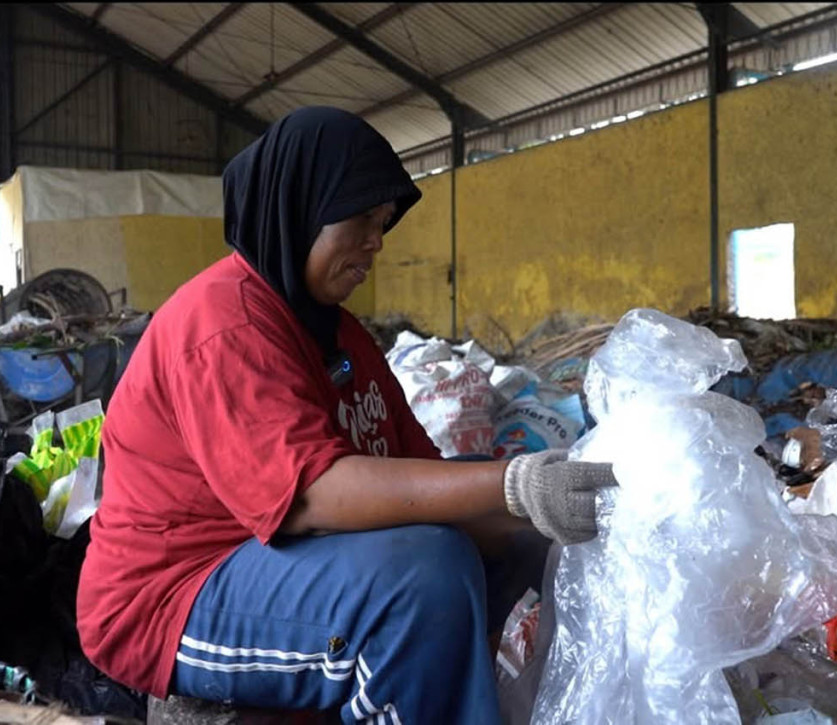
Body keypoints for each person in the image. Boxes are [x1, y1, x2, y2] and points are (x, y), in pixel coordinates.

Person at [76, 106, 618, 724]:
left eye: (382, 224)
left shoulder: (341, 335)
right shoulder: (223, 323)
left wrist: (544, 513)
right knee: (424, 576)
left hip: (277, 563)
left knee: (512, 535)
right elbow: (310, 494)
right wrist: (514, 484)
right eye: (361, 218)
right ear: (301, 206)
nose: (377, 243)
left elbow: (421, 472)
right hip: (173, 594)